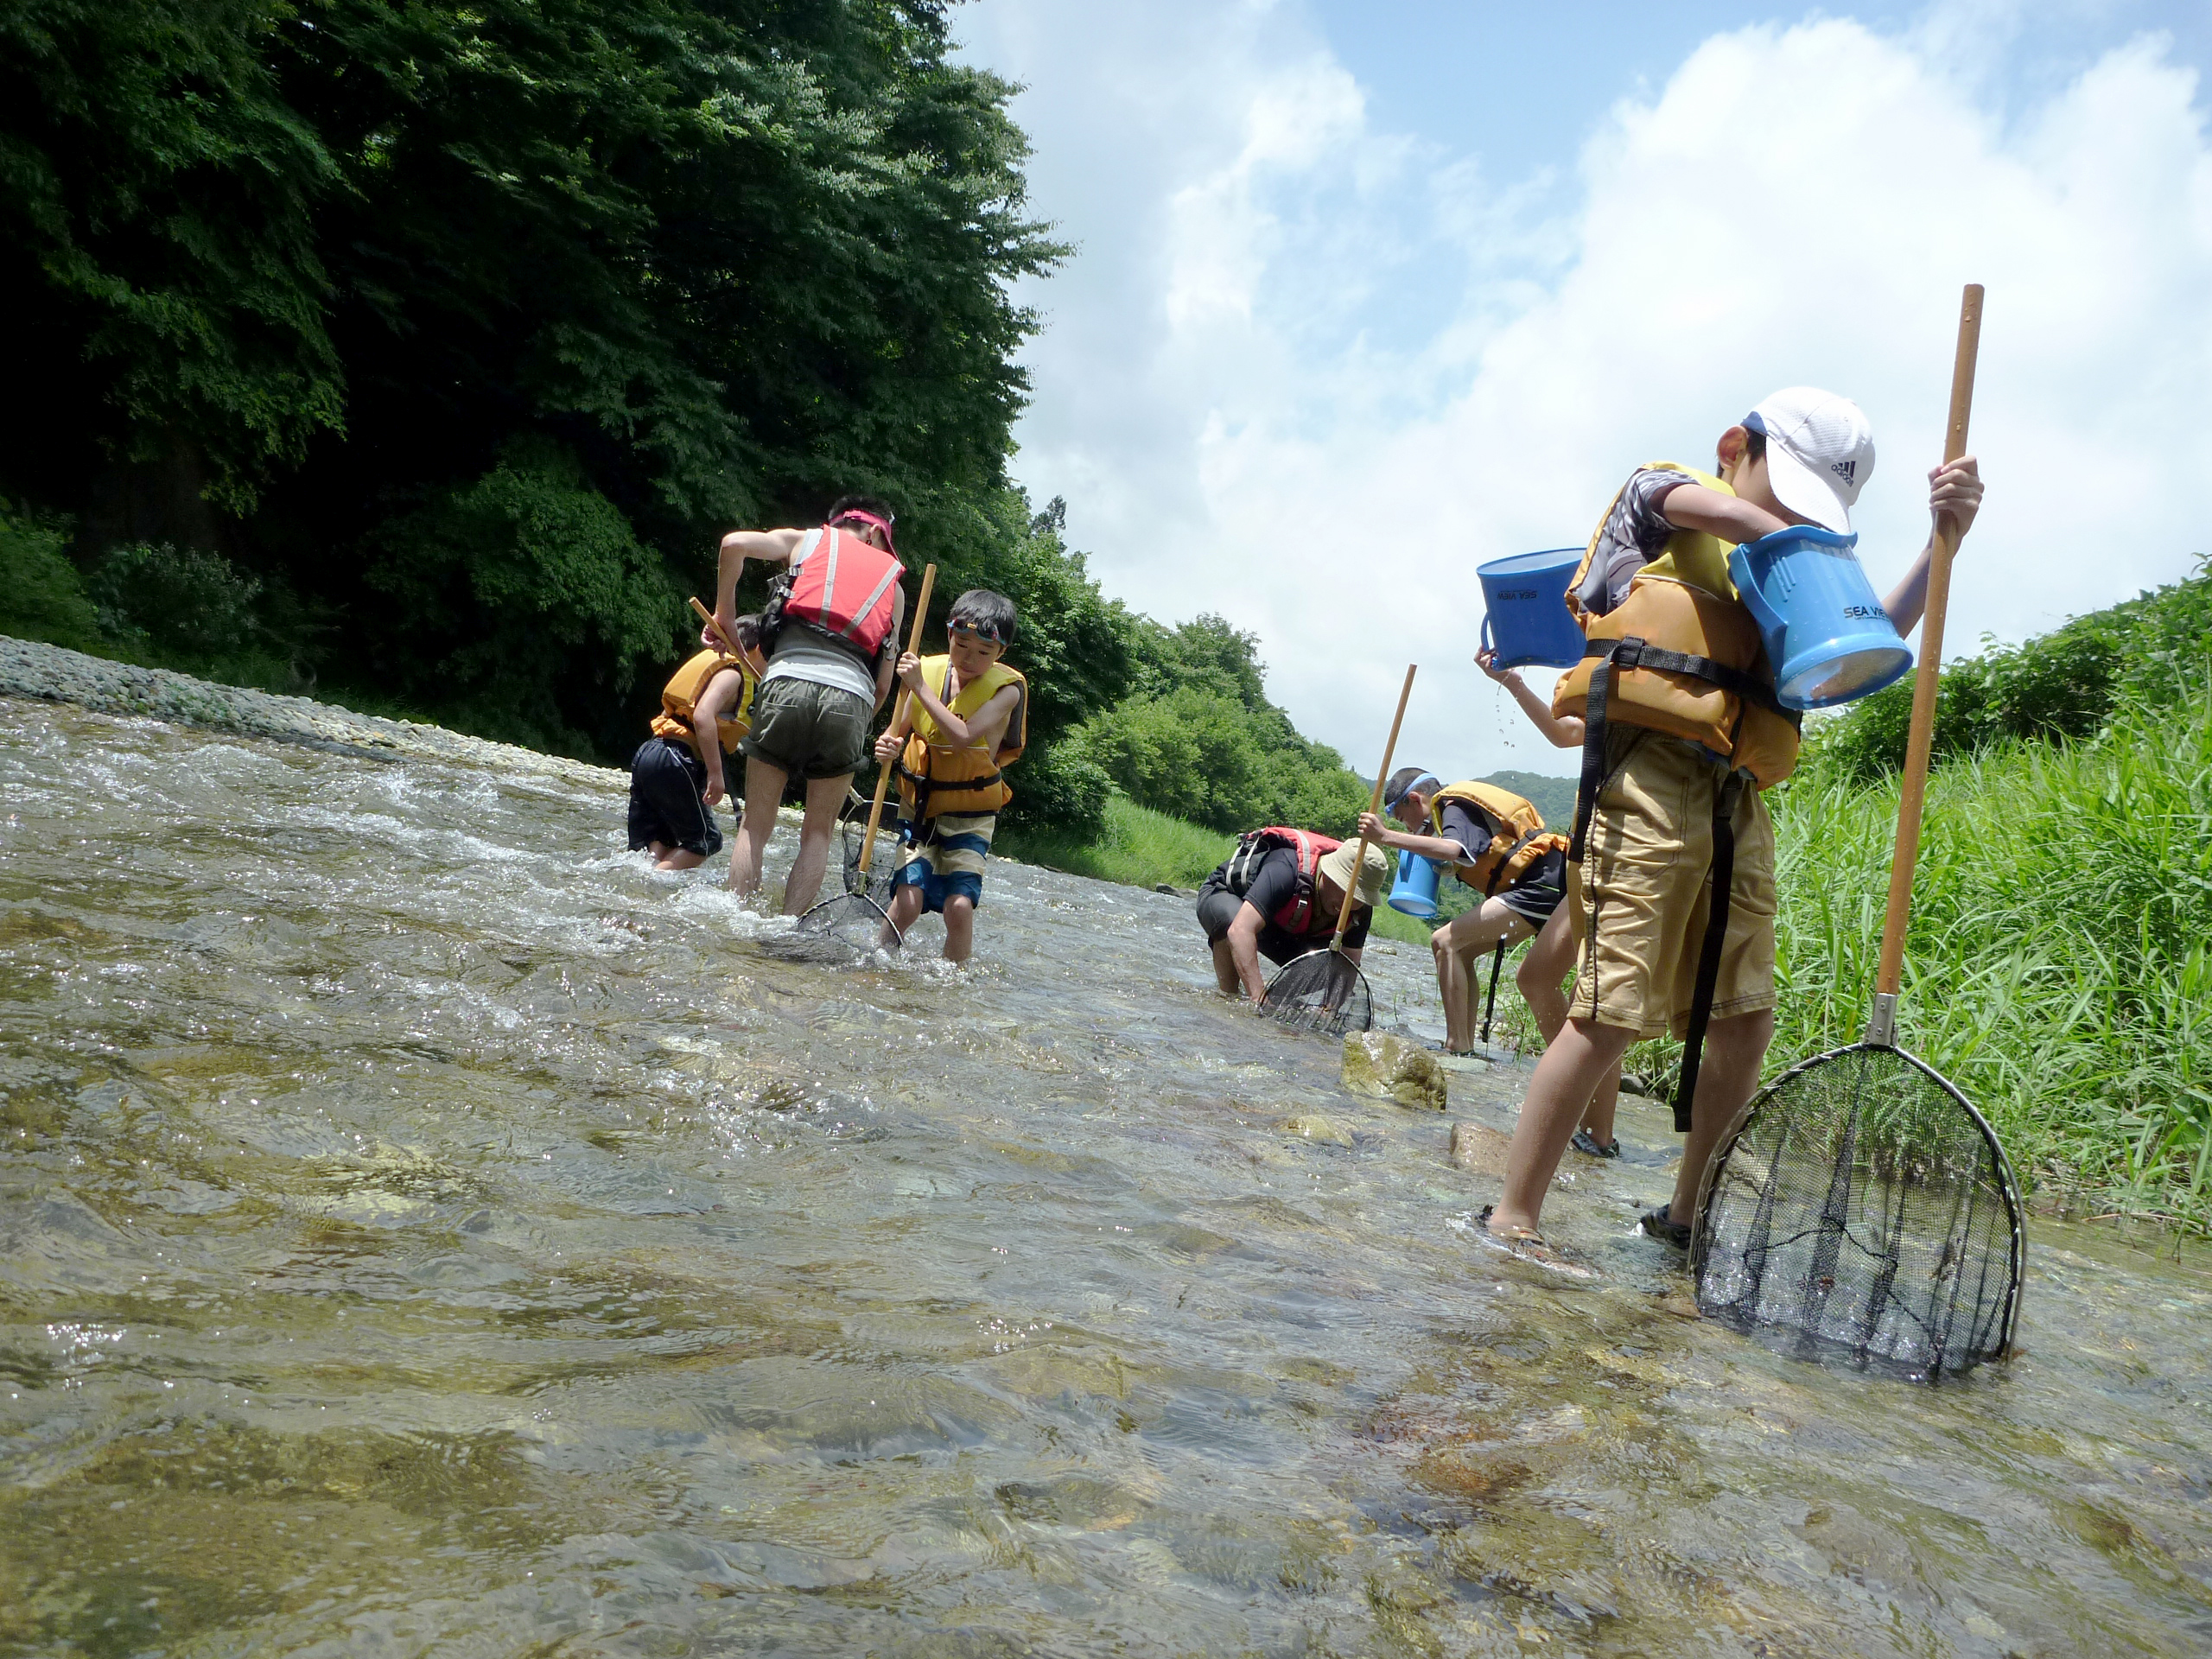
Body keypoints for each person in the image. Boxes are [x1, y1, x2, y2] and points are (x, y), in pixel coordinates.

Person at [1481, 387, 1982, 1249]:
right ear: (1731, 448)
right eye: (1779, 488)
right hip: (1646, 781)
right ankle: (1513, 1218)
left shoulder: (1789, 567)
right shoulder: (1664, 497)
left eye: (1809, 506)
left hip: (1736, 794)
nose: (1787, 515)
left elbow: (1866, 642)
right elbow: (1708, 514)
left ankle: (1686, 1220)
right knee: (1610, 1009)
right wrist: (1803, 543)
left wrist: (1941, 546)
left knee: (1744, 1020)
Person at [1357, 769, 1622, 1158]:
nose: (1406, 827)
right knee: (1464, 953)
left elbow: (1456, 851)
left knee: (1443, 940)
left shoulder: (1449, 805)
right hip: (1546, 883)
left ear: (1415, 801)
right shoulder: (1447, 815)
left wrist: (1386, 837)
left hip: (1541, 884)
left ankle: (1457, 1044)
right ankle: (1468, 1048)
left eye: (1401, 819)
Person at [713, 497, 906, 913]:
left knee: (755, 827)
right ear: (875, 533)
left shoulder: (805, 540)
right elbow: (884, 686)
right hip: (851, 700)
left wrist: (724, 614)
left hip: (786, 682)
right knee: (817, 834)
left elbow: (732, 545)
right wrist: (855, 726)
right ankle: (786, 931)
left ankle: (737, 921)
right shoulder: (896, 587)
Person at [874, 588, 1027, 963]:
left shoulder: (1006, 693)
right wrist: (887, 747)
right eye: (962, 645)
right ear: (950, 636)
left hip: (970, 816)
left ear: (1001, 653)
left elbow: (961, 737)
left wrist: (918, 686)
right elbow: (899, 731)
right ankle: (876, 962)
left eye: (983, 652)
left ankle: (953, 981)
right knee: (908, 901)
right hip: (920, 806)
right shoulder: (926, 674)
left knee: (959, 906)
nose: (969, 658)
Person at [627, 614, 766, 871]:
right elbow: (702, 715)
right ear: (758, 650)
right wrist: (715, 773)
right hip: (675, 759)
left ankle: (644, 883)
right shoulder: (733, 674)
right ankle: (653, 881)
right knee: (705, 842)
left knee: (659, 839)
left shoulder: (722, 663)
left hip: (651, 752)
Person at [1196, 830, 1389, 1006]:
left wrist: (1329, 1009)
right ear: (1328, 874)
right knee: (1232, 922)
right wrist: (1258, 998)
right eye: (1345, 892)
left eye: (1358, 898)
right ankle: (1229, 997)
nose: (1349, 904)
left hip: (1285, 930)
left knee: (1329, 965)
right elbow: (1240, 930)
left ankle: (1276, 1002)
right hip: (1227, 899)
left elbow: (1348, 966)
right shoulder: (1286, 869)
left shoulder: (1359, 910)